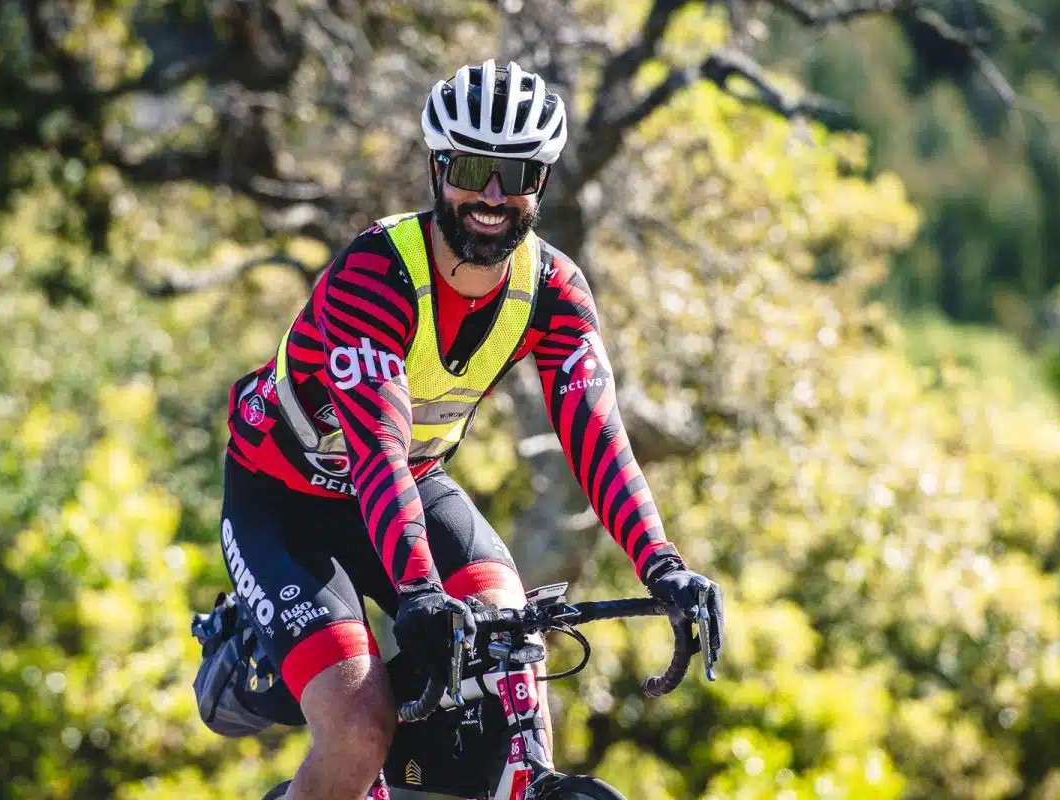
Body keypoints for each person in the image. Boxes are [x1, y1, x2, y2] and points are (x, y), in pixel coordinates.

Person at [219, 59, 725, 800]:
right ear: (437, 168)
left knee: (515, 656)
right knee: (359, 729)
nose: (491, 196)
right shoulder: (374, 274)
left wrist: (663, 565)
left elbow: (597, 437)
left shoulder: (554, 290)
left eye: (515, 174)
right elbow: (377, 449)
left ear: (541, 183)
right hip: (285, 500)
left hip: (412, 485)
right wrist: (419, 589)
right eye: (470, 168)